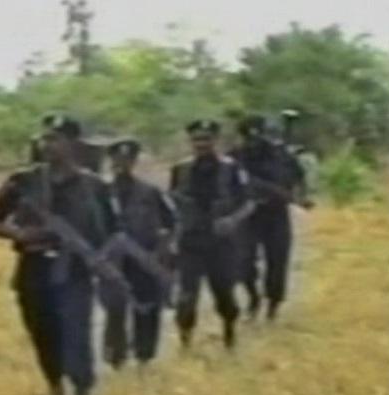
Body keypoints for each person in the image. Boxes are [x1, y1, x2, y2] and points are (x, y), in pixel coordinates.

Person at [0, 113, 120, 395]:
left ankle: (82, 394)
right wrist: (19, 233)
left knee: (76, 331)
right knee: (42, 332)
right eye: (45, 138)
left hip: (75, 271)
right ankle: (55, 388)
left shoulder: (94, 186)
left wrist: (103, 262)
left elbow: (112, 232)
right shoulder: (23, 181)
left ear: (74, 144)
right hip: (34, 267)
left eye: (55, 139)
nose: (48, 145)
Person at [169, 119, 255, 349]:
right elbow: (172, 202)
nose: (201, 144)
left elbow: (248, 203)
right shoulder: (181, 169)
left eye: (206, 139)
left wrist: (232, 221)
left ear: (215, 141)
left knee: (224, 292)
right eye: (197, 139)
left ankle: (229, 336)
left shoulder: (231, 168)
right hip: (191, 241)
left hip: (221, 242)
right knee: (187, 295)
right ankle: (185, 341)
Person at [100, 138, 178, 368]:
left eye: (128, 159)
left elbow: (171, 221)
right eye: (117, 159)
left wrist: (163, 249)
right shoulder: (101, 192)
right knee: (115, 309)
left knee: (146, 307)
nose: (122, 163)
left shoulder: (150, 192)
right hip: (113, 260)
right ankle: (116, 356)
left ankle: (144, 356)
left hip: (144, 258)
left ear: (134, 161)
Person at [230, 114, 310, 320]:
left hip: (276, 214)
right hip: (247, 215)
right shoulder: (234, 157)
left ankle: (273, 304)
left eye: (257, 134)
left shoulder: (281, 155)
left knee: (277, 260)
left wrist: (301, 196)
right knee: (243, 262)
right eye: (249, 136)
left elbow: (298, 177)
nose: (253, 140)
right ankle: (253, 297)